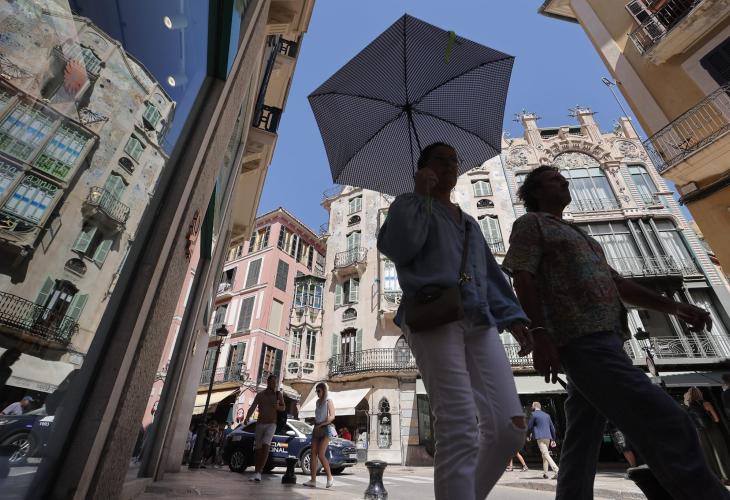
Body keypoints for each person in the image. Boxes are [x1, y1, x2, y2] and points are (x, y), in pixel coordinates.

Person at [503, 165, 730, 500]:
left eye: (564, 178)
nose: (565, 182)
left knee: (582, 440)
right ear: (535, 191)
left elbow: (619, 284)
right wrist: (539, 333)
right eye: (555, 179)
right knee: (668, 420)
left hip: (607, 338)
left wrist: (676, 307)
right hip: (581, 338)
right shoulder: (531, 224)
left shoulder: (582, 236)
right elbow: (522, 276)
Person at [378, 142, 532, 500]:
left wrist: (514, 318)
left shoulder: (470, 224)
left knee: (509, 428)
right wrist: (420, 195)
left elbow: (490, 274)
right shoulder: (407, 204)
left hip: (479, 318)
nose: (449, 165)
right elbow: (398, 248)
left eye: (453, 160)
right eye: (440, 160)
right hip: (434, 315)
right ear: (423, 167)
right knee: (458, 425)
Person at [243, 374, 285, 482]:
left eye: (275, 382)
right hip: (260, 423)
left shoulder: (278, 394)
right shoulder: (260, 395)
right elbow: (253, 407)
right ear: (268, 382)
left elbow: (283, 407)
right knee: (258, 449)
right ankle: (256, 471)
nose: (274, 384)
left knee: (266, 445)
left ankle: (259, 472)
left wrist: (278, 407)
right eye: (272, 382)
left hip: (272, 424)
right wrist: (247, 417)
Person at [684, 387, 730, 484]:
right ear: (700, 394)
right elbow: (716, 419)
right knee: (720, 451)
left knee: (708, 454)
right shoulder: (706, 404)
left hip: (700, 433)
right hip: (712, 429)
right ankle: (727, 475)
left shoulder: (688, 408)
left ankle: (717, 477)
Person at [303, 382, 336, 489]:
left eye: (319, 391)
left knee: (321, 454)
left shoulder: (328, 400)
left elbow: (332, 416)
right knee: (313, 454)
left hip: (325, 429)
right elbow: (318, 415)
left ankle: (330, 477)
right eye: (316, 391)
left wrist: (322, 423)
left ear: (324, 390)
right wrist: (315, 422)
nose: (317, 393)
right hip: (316, 428)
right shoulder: (317, 402)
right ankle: (313, 480)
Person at [527, 402, 559, 479]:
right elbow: (552, 428)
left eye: (532, 406)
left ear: (534, 406)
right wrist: (553, 439)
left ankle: (557, 470)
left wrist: (528, 435)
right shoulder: (547, 415)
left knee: (545, 454)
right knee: (544, 454)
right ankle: (545, 473)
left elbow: (529, 426)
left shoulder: (533, 414)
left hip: (540, 437)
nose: (531, 407)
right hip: (548, 437)